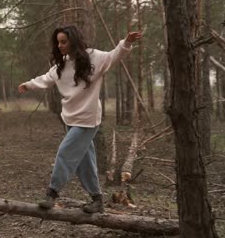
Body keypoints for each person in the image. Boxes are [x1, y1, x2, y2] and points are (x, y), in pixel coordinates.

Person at [18, 25, 142, 213]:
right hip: (70, 119)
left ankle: (52, 193)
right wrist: (28, 85)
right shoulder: (62, 65)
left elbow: (113, 56)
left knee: (65, 152)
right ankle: (97, 200)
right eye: (58, 42)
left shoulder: (94, 57)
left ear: (73, 41)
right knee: (85, 163)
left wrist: (126, 43)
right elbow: (46, 78)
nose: (59, 46)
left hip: (87, 120)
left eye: (63, 42)